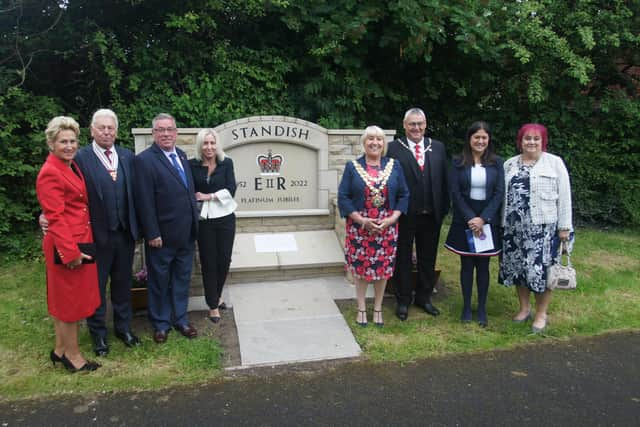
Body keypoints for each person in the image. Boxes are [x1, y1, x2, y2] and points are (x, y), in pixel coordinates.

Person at [42, 109, 141, 356]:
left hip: (124, 233)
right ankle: (99, 335)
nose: (106, 131)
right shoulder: (79, 158)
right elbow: (60, 193)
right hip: (95, 236)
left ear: (116, 131)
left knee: (122, 284)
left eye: (111, 128)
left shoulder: (128, 157)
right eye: (101, 127)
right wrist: (44, 214)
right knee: (94, 288)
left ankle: (123, 327)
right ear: (92, 130)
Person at [36, 116, 101, 372]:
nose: (69, 146)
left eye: (73, 141)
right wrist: (70, 253)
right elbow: (55, 216)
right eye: (63, 141)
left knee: (65, 300)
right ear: (51, 143)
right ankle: (73, 358)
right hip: (67, 245)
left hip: (79, 239)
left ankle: (60, 349)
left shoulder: (69, 166)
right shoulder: (50, 172)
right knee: (69, 304)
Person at [499, 123, 573, 334]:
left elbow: (565, 196)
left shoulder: (554, 163)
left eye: (536, 139)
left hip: (544, 230)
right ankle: (524, 309)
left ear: (543, 141)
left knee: (543, 273)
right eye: (527, 139)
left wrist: (565, 227)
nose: (531, 142)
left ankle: (541, 314)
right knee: (519, 270)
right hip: (513, 229)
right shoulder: (510, 164)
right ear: (520, 141)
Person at [135, 113, 200, 343]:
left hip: (186, 233)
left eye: (169, 129)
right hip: (161, 237)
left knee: (182, 278)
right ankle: (161, 323)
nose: (165, 134)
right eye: (160, 130)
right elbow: (144, 201)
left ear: (176, 132)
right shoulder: (145, 160)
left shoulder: (181, 156)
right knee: (159, 280)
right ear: (153, 134)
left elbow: (187, 192)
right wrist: (152, 233)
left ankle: (180, 318)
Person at [338, 126, 409, 327]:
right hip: (360, 229)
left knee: (382, 271)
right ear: (364, 142)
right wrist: (362, 220)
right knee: (360, 271)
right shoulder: (352, 167)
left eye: (379, 139)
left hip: (386, 228)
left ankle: (377, 308)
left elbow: (404, 194)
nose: (375, 142)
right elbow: (343, 197)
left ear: (384, 143)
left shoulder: (394, 166)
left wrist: (392, 218)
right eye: (370, 139)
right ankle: (361, 308)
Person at [387, 108, 449, 321]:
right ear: (404, 126)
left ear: (425, 124)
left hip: (431, 214)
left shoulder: (438, 147)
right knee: (402, 257)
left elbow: (444, 180)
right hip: (404, 214)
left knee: (427, 257)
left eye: (420, 124)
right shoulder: (394, 148)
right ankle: (403, 299)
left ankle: (424, 297)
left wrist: (443, 209)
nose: (416, 128)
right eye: (412, 124)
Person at [444, 121, 504, 327]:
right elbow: (455, 193)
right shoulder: (458, 161)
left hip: (487, 221)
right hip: (465, 220)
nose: (480, 141)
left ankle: (482, 308)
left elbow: (498, 193)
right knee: (467, 265)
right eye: (476, 137)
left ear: (489, 140)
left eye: (484, 137)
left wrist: (483, 218)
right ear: (469, 139)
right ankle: (467, 307)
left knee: (484, 265)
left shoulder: (497, 162)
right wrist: (471, 218)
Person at [189, 128, 237, 324]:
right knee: (209, 262)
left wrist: (210, 196)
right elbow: (190, 190)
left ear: (217, 144)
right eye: (205, 143)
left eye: (212, 143)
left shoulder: (226, 163)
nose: (209, 147)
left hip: (226, 217)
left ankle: (216, 295)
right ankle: (213, 305)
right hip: (204, 220)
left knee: (224, 260)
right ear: (200, 145)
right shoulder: (191, 165)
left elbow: (231, 189)